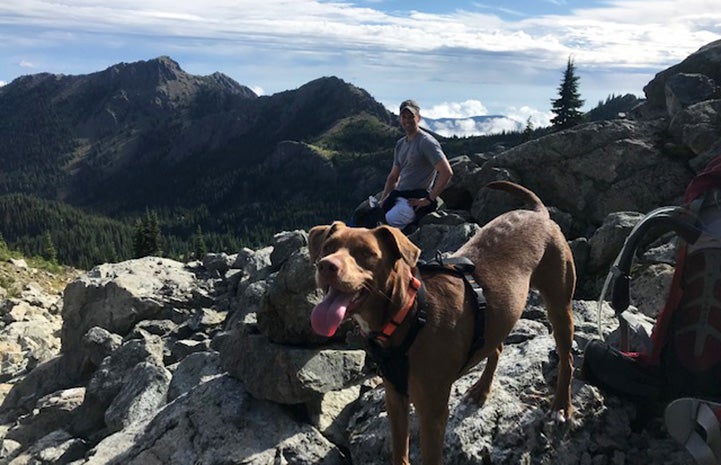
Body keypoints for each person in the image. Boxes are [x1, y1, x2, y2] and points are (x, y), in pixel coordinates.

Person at [379, 99, 453, 231]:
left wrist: (429, 199)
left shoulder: (426, 142)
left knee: (386, 222)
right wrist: (384, 199)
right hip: (399, 196)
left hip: (414, 199)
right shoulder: (401, 144)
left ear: (418, 118)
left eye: (411, 116)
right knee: (370, 216)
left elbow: (446, 172)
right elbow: (393, 176)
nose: (407, 120)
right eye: (404, 117)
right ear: (400, 119)